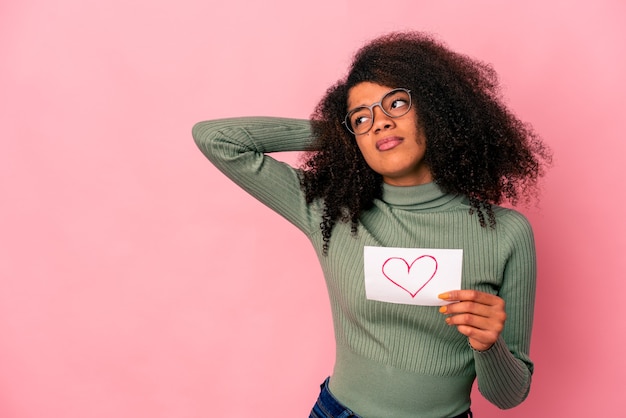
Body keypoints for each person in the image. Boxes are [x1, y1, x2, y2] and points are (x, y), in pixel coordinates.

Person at [193, 31, 551, 418]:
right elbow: (216, 138)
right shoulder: (329, 210)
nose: (379, 123)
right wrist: (341, 134)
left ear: (435, 110)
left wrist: (488, 346)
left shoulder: (508, 233)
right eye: (362, 117)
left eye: (396, 104)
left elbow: (509, 396)